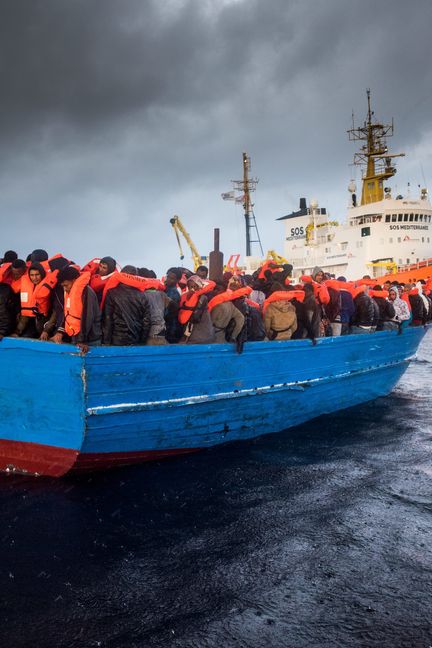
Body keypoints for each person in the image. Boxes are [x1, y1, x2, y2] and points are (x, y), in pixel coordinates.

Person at [56, 266, 101, 352]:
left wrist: (82, 340)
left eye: (66, 285)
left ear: (75, 280)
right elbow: (66, 313)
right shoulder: (68, 292)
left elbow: (88, 317)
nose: (65, 289)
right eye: (63, 286)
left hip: (89, 340)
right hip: (76, 336)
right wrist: (60, 331)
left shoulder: (86, 292)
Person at [102, 270, 151, 345]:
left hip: (116, 338)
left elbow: (108, 319)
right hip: (136, 338)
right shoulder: (143, 296)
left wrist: (106, 342)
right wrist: (142, 342)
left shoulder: (111, 293)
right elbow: (146, 321)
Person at [12, 263, 47, 338]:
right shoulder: (24, 281)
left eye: (37, 274)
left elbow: (55, 312)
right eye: (32, 275)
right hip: (29, 324)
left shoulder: (49, 286)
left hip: (44, 324)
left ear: (42, 274)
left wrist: (46, 331)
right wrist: (17, 332)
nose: (34, 278)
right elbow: (26, 311)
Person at [179, 275, 215, 344]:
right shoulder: (188, 297)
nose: (192, 289)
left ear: (199, 286)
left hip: (201, 333)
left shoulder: (203, 298)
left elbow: (195, 317)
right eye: (190, 287)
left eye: (194, 286)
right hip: (198, 333)